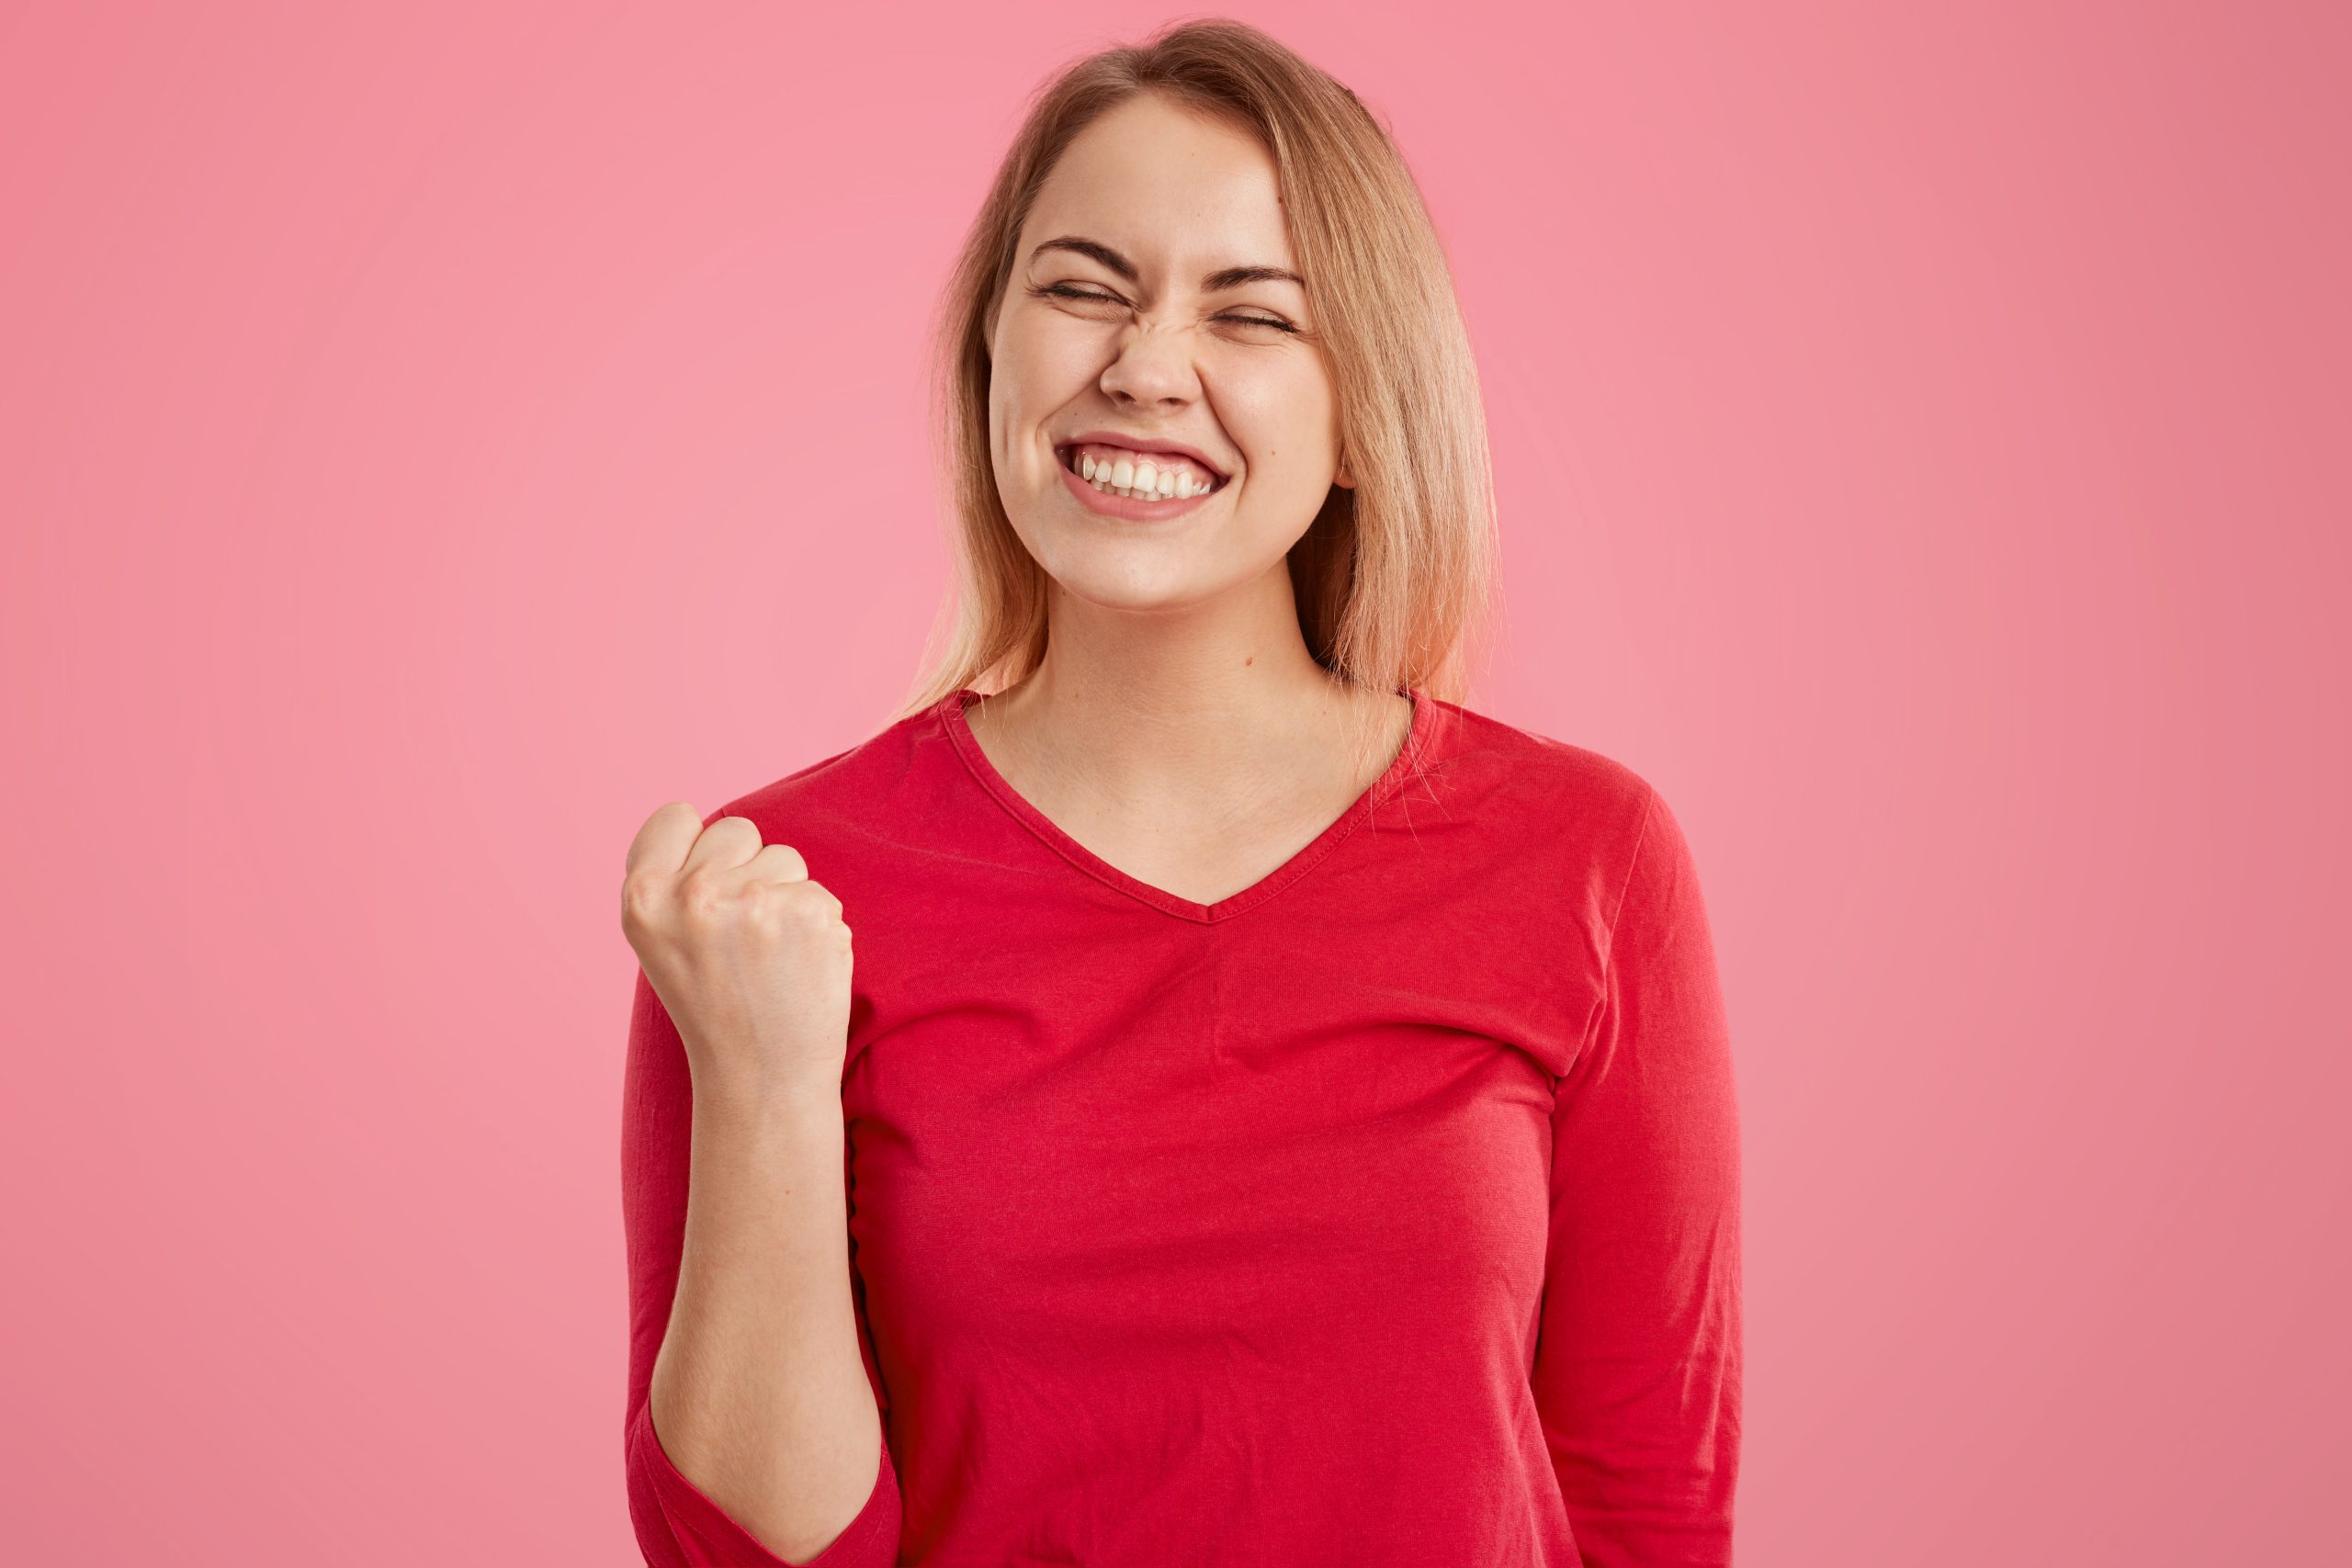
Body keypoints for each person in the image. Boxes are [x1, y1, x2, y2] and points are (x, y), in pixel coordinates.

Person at [619, 18, 1742, 1566]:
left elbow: (1649, 1513)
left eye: (1254, 316)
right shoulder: (776, 900)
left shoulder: (1586, 859)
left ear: (1364, 414)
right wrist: (761, 1086)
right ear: (989, 353)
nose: (1145, 368)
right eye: (1082, 288)